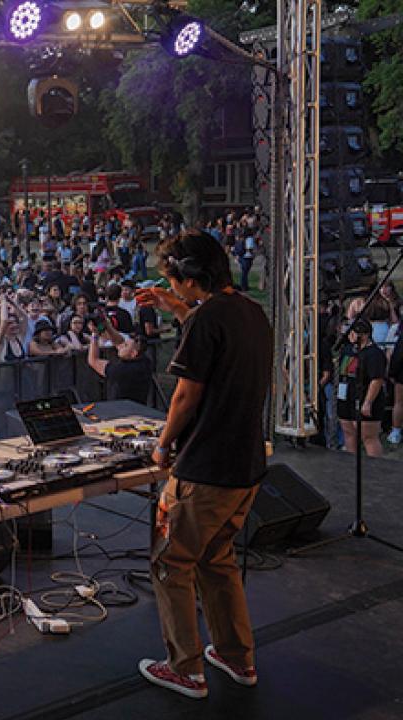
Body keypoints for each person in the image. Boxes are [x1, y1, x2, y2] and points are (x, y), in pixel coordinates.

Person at [134, 229, 272, 700]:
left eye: (173, 280)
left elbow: (186, 393)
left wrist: (162, 445)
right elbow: (213, 331)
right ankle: (236, 657)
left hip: (205, 468)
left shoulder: (204, 321)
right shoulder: (250, 312)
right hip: (246, 465)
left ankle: (186, 669)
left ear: (191, 278)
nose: (171, 287)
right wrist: (176, 309)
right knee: (216, 558)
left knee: (170, 562)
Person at [336, 318, 388, 457]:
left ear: (363, 334)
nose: (349, 335)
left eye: (352, 332)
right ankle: (352, 462)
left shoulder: (374, 353)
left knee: (368, 437)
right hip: (346, 396)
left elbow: (376, 379)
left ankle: (375, 469)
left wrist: (368, 402)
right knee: (348, 432)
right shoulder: (348, 349)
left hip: (363, 396)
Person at [86, 316, 154, 404]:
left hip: (119, 410)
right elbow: (119, 342)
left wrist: (94, 334)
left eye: (125, 345)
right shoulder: (145, 362)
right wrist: (107, 327)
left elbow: (93, 360)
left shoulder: (121, 370)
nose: (121, 346)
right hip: (139, 407)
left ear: (133, 353)